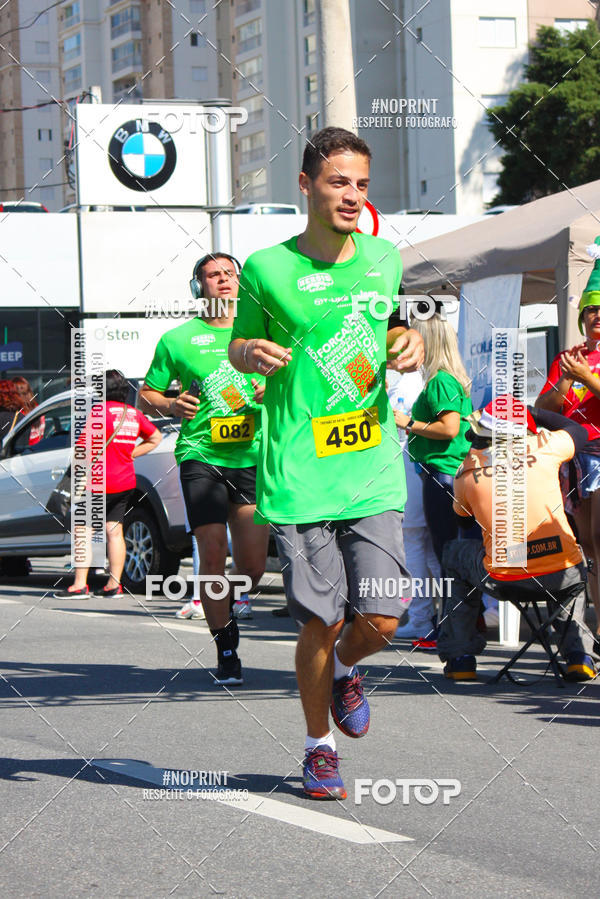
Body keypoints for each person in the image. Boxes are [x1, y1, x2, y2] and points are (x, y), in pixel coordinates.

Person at [228, 126, 424, 800]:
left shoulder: (382, 259)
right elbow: (237, 345)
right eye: (339, 181)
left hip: (369, 463)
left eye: (362, 184)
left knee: (384, 619)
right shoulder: (266, 267)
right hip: (300, 469)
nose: (352, 195)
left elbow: (390, 324)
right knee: (323, 616)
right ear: (307, 186)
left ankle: (345, 666)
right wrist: (250, 354)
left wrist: (406, 341)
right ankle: (319, 748)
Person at [139, 252, 269, 686]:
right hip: (201, 457)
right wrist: (172, 404)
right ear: (199, 287)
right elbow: (147, 394)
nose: (223, 281)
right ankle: (226, 646)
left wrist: (270, 384)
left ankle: (224, 606)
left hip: (252, 457)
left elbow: (296, 376)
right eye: (213, 276)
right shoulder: (177, 340)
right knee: (212, 554)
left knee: (250, 569)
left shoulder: (260, 333)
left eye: (230, 274)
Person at [439, 396, 599, 682]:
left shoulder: (466, 471)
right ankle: (578, 656)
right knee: (568, 569)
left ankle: (461, 656)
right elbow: (580, 429)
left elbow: (462, 522)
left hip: (505, 575)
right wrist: (532, 411)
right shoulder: (546, 447)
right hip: (561, 571)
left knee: (454, 552)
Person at [393, 310, 473, 644]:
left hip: (441, 473)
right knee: (445, 553)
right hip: (443, 473)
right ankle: (452, 626)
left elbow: (449, 428)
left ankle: (453, 629)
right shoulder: (445, 379)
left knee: (446, 553)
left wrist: (407, 422)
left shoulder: (440, 381)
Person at [535, 236, 600, 643]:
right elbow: (544, 406)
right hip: (573, 460)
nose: (597, 315)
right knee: (588, 548)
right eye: (591, 309)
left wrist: (586, 378)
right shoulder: (569, 356)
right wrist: (565, 378)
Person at [53, 369, 162, 599]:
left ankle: (79, 585)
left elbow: (83, 451)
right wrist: (131, 452)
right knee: (115, 531)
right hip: (124, 482)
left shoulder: (98, 413)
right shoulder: (132, 414)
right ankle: (113, 585)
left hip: (96, 483)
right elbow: (156, 438)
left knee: (83, 531)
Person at [386, 368, 442, 646]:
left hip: (411, 466)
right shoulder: (426, 377)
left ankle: (423, 620)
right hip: (419, 466)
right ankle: (441, 619)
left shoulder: (409, 381)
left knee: (415, 544)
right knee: (428, 548)